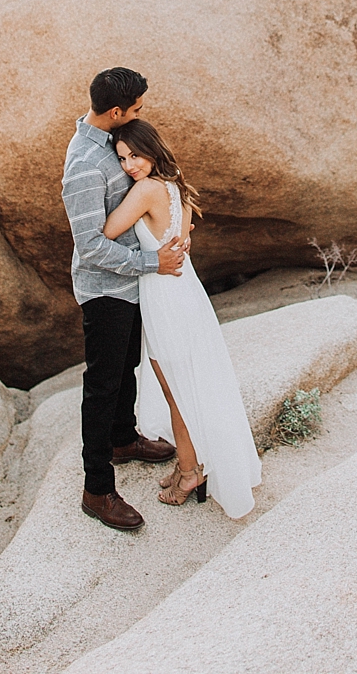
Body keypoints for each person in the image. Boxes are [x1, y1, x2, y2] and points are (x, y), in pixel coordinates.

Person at [102, 118, 260, 518]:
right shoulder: (177, 186)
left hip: (165, 298)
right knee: (186, 386)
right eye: (121, 159)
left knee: (176, 391)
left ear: (152, 149)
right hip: (184, 292)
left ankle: (191, 472)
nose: (129, 166)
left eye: (134, 155)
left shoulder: (146, 190)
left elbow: (107, 231)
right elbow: (184, 229)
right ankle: (191, 464)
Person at [62, 66, 186, 532]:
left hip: (132, 285)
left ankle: (122, 438)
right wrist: (153, 264)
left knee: (127, 368)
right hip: (105, 291)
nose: (140, 114)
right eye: (135, 109)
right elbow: (90, 246)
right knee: (101, 386)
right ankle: (97, 489)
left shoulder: (111, 142)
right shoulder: (84, 166)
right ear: (115, 112)